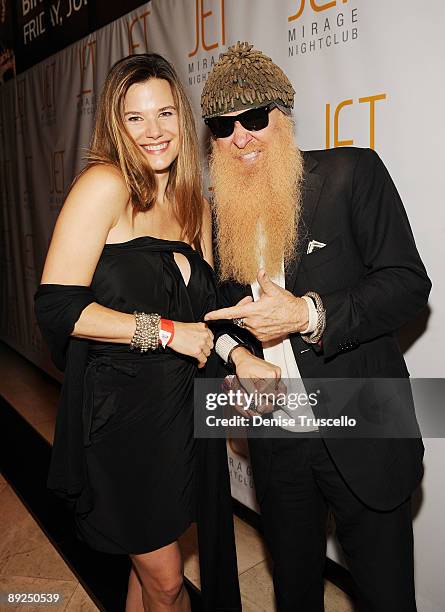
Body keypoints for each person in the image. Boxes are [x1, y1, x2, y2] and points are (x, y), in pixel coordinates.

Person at [202, 42, 431, 611]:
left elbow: (407, 283)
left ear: (283, 117)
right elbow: (220, 316)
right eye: (223, 125)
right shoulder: (220, 214)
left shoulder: (351, 174)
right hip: (277, 443)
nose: (241, 137)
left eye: (255, 118)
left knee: (386, 597)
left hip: (362, 428)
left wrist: (308, 313)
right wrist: (239, 356)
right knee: (295, 593)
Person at [35, 54, 240, 612]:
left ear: (183, 116)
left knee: (151, 567)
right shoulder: (104, 185)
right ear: (115, 124)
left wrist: (238, 354)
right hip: (121, 419)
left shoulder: (192, 199)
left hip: (181, 414)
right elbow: (58, 309)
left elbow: (209, 313)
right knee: (168, 579)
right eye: (136, 118)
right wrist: (167, 331)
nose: (154, 132)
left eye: (166, 113)